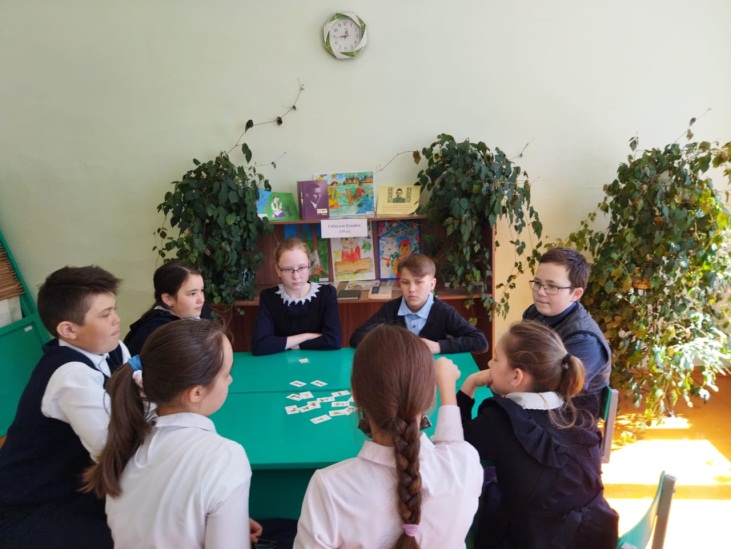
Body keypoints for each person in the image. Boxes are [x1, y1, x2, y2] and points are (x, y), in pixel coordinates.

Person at [295, 324, 483, 548]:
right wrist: (447, 387)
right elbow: (452, 445)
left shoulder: (330, 488)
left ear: (355, 395)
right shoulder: (465, 464)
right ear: (430, 396)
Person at [83, 320, 262, 547]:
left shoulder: (128, 440)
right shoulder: (226, 456)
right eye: (226, 373)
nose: (230, 379)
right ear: (196, 393)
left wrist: (228, 521)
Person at [455, 320, 618, 549]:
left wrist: (469, 385)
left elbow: (454, 444)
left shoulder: (500, 422)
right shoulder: (575, 410)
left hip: (535, 539)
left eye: (496, 359)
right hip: (595, 533)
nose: (489, 363)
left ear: (516, 377)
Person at [0, 266, 130, 548]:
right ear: (68, 330)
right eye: (105, 314)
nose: (117, 319)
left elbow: (135, 399)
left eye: (114, 309)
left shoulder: (113, 349)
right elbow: (114, 453)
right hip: (33, 503)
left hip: (80, 480)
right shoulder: (71, 376)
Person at [522, 247, 611, 417]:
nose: (540, 292)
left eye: (552, 286)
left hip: (569, 416)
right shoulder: (534, 313)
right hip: (535, 399)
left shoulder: (584, 340)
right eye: (538, 283)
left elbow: (555, 390)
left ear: (575, 294)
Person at [349, 253, 488, 354]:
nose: (411, 289)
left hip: (432, 373)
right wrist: (393, 344)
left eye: (419, 282)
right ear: (399, 283)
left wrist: (438, 346)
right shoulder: (391, 309)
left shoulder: (444, 312)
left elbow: (480, 342)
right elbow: (356, 338)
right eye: (405, 282)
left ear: (432, 284)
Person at [252, 237, 342, 355]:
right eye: (288, 269)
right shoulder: (269, 297)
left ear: (309, 265)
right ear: (278, 270)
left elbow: (333, 341)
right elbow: (260, 345)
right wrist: (306, 336)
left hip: (319, 361)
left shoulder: (327, 293)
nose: (296, 276)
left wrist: (288, 344)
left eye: (301, 268)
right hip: (281, 362)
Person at [124, 260, 209, 356]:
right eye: (192, 294)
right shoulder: (157, 332)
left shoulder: (200, 312)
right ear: (168, 299)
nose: (201, 299)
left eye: (201, 290)